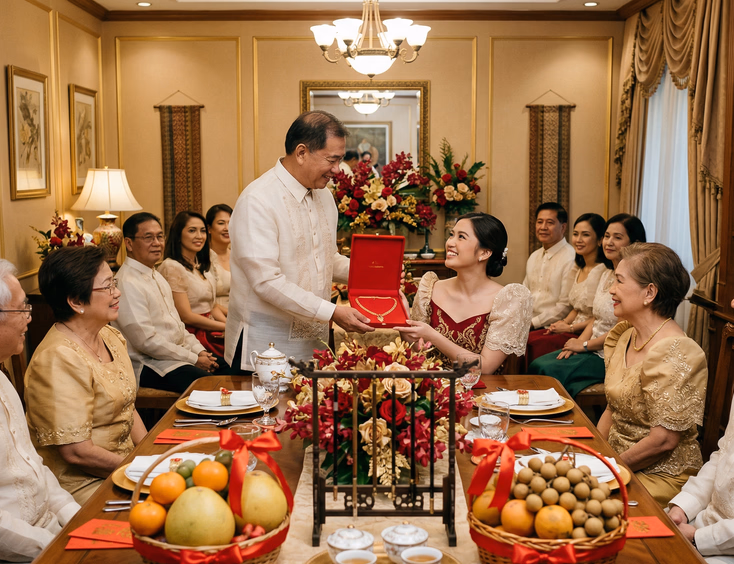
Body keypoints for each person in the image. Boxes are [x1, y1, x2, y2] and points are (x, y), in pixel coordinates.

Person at [225, 110, 373, 372]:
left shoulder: (324, 196)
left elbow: (328, 258)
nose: (338, 170)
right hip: (265, 346)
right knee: (267, 412)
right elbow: (266, 282)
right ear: (302, 152)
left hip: (314, 342)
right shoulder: (258, 200)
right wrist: (333, 313)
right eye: (332, 159)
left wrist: (374, 276)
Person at [25, 247, 147, 504]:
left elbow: (128, 406)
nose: (118, 292)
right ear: (76, 301)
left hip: (125, 468)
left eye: (114, 282)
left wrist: (149, 456)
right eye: (107, 287)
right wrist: (140, 471)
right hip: (83, 483)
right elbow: (77, 453)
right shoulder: (58, 357)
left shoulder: (109, 336)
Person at [599, 243, 706, 506]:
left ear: (649, 292)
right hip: (618, 460)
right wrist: (594, 454)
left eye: (619, 281)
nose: (611, 290)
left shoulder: (677, 351)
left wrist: (607, 472)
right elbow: (613, 407)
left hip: (660, 473)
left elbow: (663, 441)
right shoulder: (625, 335)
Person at [0, 259, 81, 561]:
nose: (29, 319)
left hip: (51, 529)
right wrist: (54, 546)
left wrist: (75, 517)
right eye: (22, 309)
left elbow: (34, 465)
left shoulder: (3, 378)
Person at [395, 212, 533, 374]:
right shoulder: (430, 288)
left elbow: (486, 367)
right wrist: (403, 316)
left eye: (461, 237)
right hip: (434, 388)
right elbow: (419, 353)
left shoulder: (508, 300)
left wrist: (433, 336)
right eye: (451, 235)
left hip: (483, 392)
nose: (450, 243)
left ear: (484, 253)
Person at [529, 214, 646, 397]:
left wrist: (584, 346)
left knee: (547, 370)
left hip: (610, 354)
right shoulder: (607, 273)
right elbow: (596, 318)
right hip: (591, 346)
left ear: (634, 243)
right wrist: (576, 344)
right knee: (538, 363)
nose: (609, 242)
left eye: (617, 237)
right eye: (607, 236)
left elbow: (622, 330)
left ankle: (555, 419)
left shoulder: (634, 281)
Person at [114, 212, 221, 393]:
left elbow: (178, 326)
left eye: (159, 236)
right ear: (129, 243)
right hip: (150, 364)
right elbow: (146, 342)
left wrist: (199, 352)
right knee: (209, 385)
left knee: (228, 369)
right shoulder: (126, 283)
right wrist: (193, 358)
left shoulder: (156, 275)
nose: (157, 243)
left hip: (177, 356)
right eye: (148, 237)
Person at [668, 297, 734, 562]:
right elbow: (724, 453)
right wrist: (684, 507)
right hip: (703, 521)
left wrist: (697, 537)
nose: (731, 302)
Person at [522, 213, 610, 367]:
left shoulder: (601, 271)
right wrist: (561, 324)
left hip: (585, 333)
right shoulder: (578, 267)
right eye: (576, 234)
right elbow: (575, 308)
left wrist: (569, 327)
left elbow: (597, 315)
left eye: (586, 235)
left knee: (534, 344)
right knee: (524, 340)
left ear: (599, 240)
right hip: (569, 328)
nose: (578, 240)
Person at [159, 210, 228, 358]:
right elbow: (186, 316)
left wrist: (230, 326)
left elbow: (212, 306)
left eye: (202, 231)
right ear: (178, 235)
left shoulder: (200, 264)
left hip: (210, 326)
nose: (199, 236)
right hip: (193, 333)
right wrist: (225, 327)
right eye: (192, 231)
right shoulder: (172, 266)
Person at [523, 202, 576, 330]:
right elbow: (524, 294)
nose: (543, 227)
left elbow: (565, 305)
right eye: (539, 222)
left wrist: (532, 323)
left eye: (550, 223)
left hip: (551, 327)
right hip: (527, 323)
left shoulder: (571, 258)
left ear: (563, 227)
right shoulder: (534, 256)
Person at [206, 203, 232, 311]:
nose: (227, 228)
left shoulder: (238, 256)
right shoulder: (202, 259)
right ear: (209, 228)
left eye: (230, 223)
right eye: (221, 223)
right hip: (213, 317)